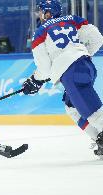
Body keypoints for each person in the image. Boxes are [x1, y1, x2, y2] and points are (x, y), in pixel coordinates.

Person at [21, 0, 103, 157]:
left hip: (72, 75)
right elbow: (97, 39)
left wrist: (34, 80)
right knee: (72, 107)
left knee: (94, 112)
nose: (39, 14)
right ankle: (100, 139)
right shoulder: (73, 19)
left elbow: (45, 69)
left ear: (48, 13)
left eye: (40, 11)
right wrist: (80, 54)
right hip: (87, 67)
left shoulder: (40, 32)